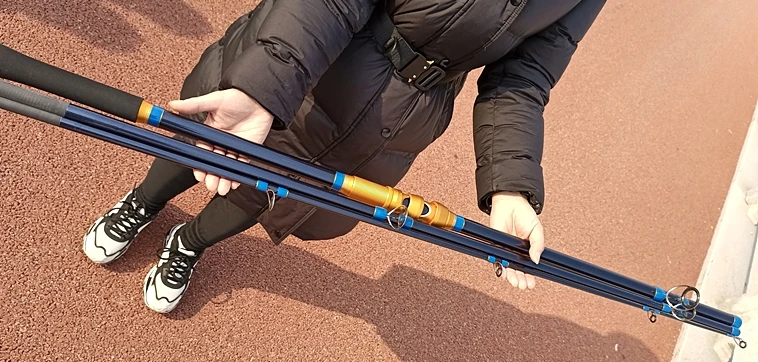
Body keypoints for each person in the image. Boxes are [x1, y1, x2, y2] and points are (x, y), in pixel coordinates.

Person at [82, 0, 607, 313]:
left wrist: (510, 184)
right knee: (213, 139)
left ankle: (188, 242)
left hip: (397, 117)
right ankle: (143, 202)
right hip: (323, 51)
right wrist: (267, 85)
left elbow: (523, 78)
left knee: (272, 189)